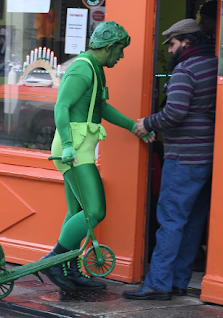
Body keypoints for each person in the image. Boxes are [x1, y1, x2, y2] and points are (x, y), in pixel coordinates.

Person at [41, 21, 155, 292]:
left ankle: (69, 269)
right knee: (95, 210)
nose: (122, 55)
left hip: (78, 146)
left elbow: (100, 105)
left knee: (78, 211)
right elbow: (62, 105)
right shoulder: (83, 67)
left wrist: (131, 126)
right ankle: (55, 260)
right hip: (74, 148)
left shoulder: (95, 69)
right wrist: (68, 144)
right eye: (120, 49)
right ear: (110, 47)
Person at [122, 19, 217, 300]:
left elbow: (174, 112)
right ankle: (177, 281)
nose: (170, 50)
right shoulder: (214, 65)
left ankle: (157, 284)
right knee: (192, 222)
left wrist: (147, 123)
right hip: (207, 156)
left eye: (173, 44)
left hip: (184, 156)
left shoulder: (185, 70)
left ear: (186, 42)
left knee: (171, 219)